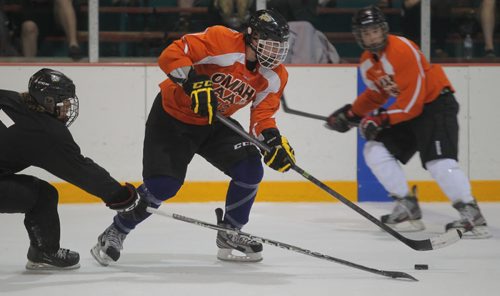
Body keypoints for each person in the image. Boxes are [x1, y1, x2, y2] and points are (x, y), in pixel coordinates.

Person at [91, 9, 295, 265]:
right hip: (172, 117)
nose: (276, 52)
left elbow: (263, 115)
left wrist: (272, 141)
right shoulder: (222, 40)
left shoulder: (276, 76)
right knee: (163, 186)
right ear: (252, 36)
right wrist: (193, 81)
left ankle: (230, 233)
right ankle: (116, 231)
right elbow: (171, 54)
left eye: (281, 46)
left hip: (213, 121)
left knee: (250, 168)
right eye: (271, 44)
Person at [325, 6, 490, 238]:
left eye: (375, 30)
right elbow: (376, 95)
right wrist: (351, 114)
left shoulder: (402, 49)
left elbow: (414, 103)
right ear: (359, 36)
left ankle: (471, 213)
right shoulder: (366, 62)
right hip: (407, 111)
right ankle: (406, 206)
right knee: (375, 149)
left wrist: (381, 118)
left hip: (435, 106)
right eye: (366, 32)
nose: (371, 36)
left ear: (384, 30)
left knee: (439, 161)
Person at [0, 68, 142, 270]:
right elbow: (81, 170)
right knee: (43, 196)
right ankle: (44, 252)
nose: (67, 109)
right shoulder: (46, 132)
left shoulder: (8, 98)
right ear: (48, 101)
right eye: (64, 103)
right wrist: (120, 196)